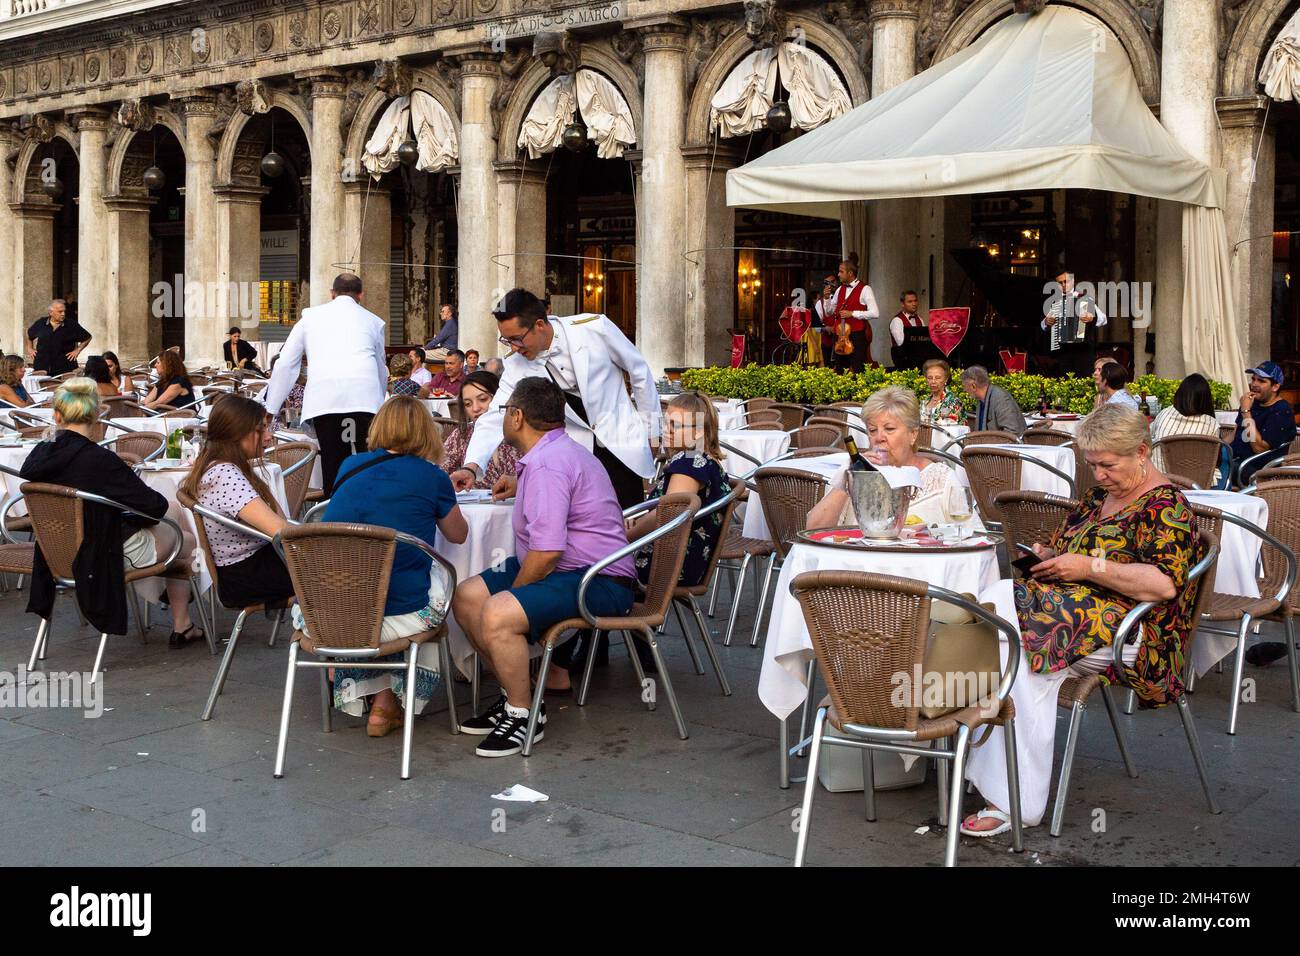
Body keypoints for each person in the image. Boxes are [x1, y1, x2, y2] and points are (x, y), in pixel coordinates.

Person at [961, 405, 1201, 837]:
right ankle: (1012, 797)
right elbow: (1065, 547)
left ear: (1142, 452)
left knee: (997, 614)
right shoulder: (1096, 498)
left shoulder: (1168, 506)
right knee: (1021, 662)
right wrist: (1050, 557)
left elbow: (1163, 585)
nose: (1099, 475)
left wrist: (1089, 568)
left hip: (1135, 632)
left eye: (1108, 465)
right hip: (1067, 621)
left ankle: (948, 737)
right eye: (1092, 465)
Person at [451, 378, 636, 757]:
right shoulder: (553, 455)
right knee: (468, 597)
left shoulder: (549, 464)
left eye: (504, 411)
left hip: (598, 578)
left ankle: (524, 716)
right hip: (573, 568)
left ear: (517, 417)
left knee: (497, 611)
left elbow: (548, 552)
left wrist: (514, 595)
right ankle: (512, 694)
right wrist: (522, 484)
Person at [323, 396, 468, 737]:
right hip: (397, 616)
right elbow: (458, 536)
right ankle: (387, 703)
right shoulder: (431, 476)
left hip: (330, 614)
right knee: (431, 585)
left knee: (379, 581)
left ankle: (376, 700)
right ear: (426, 432)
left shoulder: (349, 466)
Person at [22, 378, 205, 648]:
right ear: (97, 414)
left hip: (55, 554)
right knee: (186, 539)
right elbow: (154, 507)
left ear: (57, 416)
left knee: (172, 522)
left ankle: (174, 610)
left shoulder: (37, 457)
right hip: (100, 556)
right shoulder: (100, 460)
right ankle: (181, 622)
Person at [449, 288, 661, 509]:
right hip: (571, 461)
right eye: (507, 340)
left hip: (621, 450)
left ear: (539, 325)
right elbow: (495, 415)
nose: (513, 347)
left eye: (517, 339)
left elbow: (640, 374)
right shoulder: (515, 363)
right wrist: (471, 466)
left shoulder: (595, 328)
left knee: (628, 527)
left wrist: (653, 433)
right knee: (582, 530)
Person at [262, 273, 388, 495]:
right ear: (361, 294)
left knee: (332, 460)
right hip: (364, 399)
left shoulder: (309, 318)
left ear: (332, 293)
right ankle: (366, 519)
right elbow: (380, 367)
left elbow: (286, 364)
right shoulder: (373, 321)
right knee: (364, 461)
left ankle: (333, 516)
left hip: (325, 400)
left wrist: (271, 408)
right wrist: (381, 401)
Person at [179, 395, 296, 611]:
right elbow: (281, 530)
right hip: (248, 576)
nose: (269, 436)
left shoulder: (214, 466)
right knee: (345, 571)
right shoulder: (226, 475)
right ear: (239, 433)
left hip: (241, 570)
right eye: (262, 428)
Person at [808, 386, 963, 528]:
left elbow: (970, 535)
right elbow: (814, 530)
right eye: (872, 430)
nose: (879, 437)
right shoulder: (856, 474)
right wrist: (847, 481)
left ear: (913, 434)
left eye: (889, 429)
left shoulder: (941, 479)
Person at [441, 370, 521, 489]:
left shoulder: (521, 432)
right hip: (473, 506)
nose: (475, 408)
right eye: (468, 404)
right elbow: (439, 470)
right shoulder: (462, 433)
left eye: (483, 399)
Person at [1231, 361, 1296, 484]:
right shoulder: (1252, 404)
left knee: (1214, 472)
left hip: (1256, 469)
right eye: (1253, 379)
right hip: (1235, 461)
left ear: (1275, 387)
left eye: (1261, 381)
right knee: (1203, 462)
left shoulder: (1281, 411)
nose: (1254, 384)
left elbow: (1259, 448)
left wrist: (1246, 412)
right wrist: (1216, 447)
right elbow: (1234, 434)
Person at [1150, 372, 1222, 483]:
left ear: (1179, 394)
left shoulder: (1165, 413)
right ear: (1206, 400)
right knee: (1225, 458)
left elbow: (1151, 436)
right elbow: (1215, 459)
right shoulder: (1211, 424)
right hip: (1198, 482)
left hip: (1161, 477)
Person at [1042, 268, 1107, 377]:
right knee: (1065, 383)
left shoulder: (1084, 299)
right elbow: (1043, 326)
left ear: (1072, 281)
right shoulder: (1054, 302)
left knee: (1083, 382)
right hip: (1064, 351)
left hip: (1083, 351)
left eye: (1066, 281)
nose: (1063, 285)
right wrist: (1046, 322)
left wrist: (1092, 318)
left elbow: (1103, 319)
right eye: (1060, 282)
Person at [826, 253, 878, 374]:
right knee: (840, 370)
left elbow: (875, 313)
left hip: (856, 335)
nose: (838, 274)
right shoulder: (839, 289)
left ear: (850, 273)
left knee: (858, 369)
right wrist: (827, 298)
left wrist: (853, 314)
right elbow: (830, 311)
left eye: (841, 272)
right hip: (839, 335)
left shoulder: (865, 289)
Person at [27, 299, 92, 376]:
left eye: (64, 311)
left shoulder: (71, 325)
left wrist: (77, 350)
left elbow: (87, 337)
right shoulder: (41, 323)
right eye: (60, 312)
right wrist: (29, 348)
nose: (63, 314)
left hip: (65, 368)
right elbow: (29, 334)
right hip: (41, 367)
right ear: (51, 312)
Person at [960, 365, 1026, 436]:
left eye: (965, 386)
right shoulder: (981, 399)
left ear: (973, 386)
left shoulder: (1000, 398)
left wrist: (989, 444)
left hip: (1005, 445)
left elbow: (1012, 432)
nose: (964, 390)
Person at [919, 358, 964, 424]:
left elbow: (953, 426)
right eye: (930, 378)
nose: (933, 381)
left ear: (946, 379)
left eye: (937, 378)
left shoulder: (953, 401)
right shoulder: (925, 401)